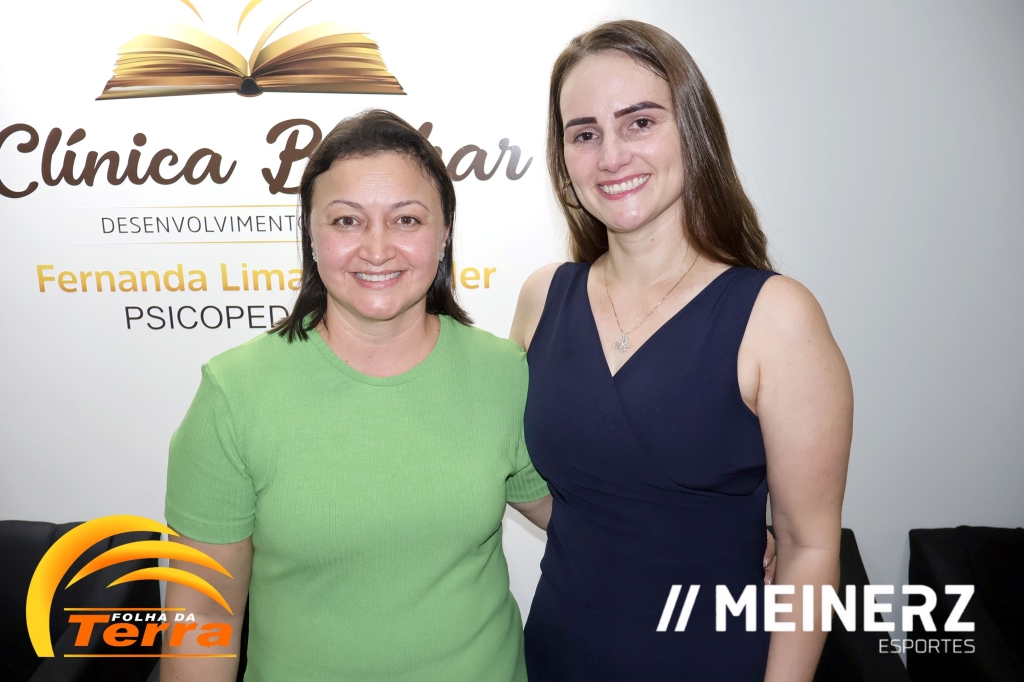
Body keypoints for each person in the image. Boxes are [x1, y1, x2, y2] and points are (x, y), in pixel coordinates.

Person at [510, 20, 853, 682]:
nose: (611, 156)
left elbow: (809, 547)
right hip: (556, 656)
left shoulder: (777, 317)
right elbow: (509, 465)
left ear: (692, 131)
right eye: (584, 134)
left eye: (639, 122)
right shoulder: (543, 296)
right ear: (564, 158)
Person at [162, 109, 552, 682]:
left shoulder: (503, 374)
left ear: (444, 233)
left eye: (406, 220)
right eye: (347, 221)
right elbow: (202, 615)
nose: (376, 249)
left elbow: (588, 521)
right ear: (310, 234)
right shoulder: (234, 393)